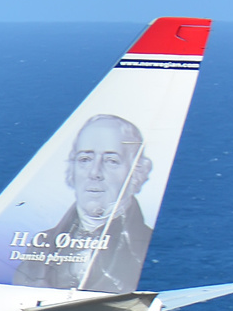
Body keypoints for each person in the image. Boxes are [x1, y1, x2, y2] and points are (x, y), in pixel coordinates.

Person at [12, 114, 153, 292]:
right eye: (85, 159)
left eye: (111, 161)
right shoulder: (40, 244)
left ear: (136, 172)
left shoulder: (141, 245)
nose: (94, 172)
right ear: (72, 169)